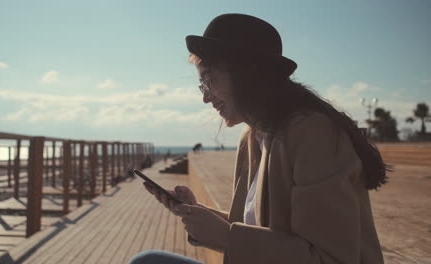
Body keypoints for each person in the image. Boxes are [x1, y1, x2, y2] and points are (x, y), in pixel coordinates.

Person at [129, 13, 387, 264]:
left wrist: (226, 236)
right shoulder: (253, 137)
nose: (205, 97)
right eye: (201, 85)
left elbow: (329, 258)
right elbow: (254, 229)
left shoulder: (313, 133)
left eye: (208, 80)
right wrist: (197, 212)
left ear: (247, 74)